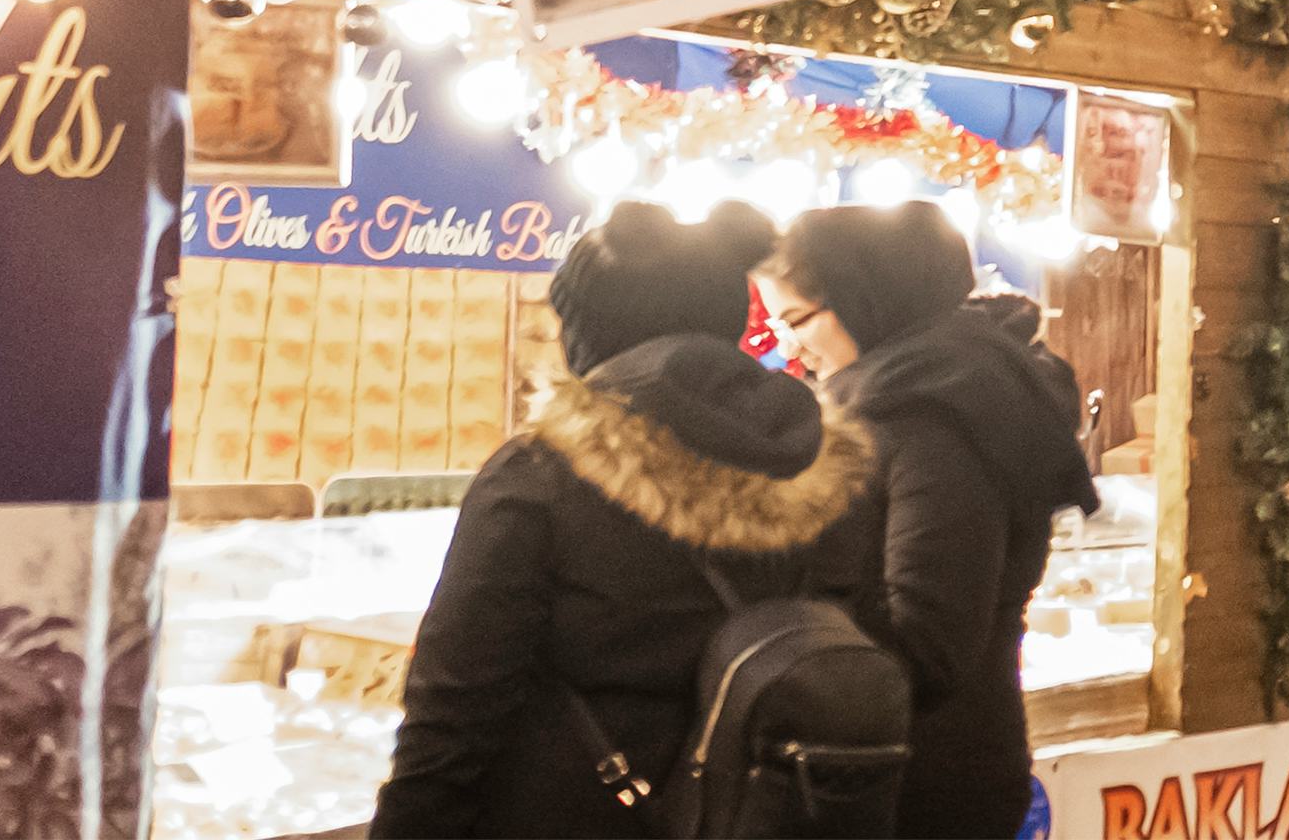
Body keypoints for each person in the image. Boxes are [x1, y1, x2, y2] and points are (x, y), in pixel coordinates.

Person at [374, 200, 883, 837]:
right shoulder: (833, 466)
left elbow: (454, 711)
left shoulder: (544, 474)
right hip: (767, 814)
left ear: (593, 332)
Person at [765, 201, 1096, 840]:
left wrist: (790, 604)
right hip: (900, 767)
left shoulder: (934, 418)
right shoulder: (917, 399)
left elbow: (930, 641)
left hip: (923, 784)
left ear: (863, 298)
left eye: (796, 319)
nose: (790, 348)